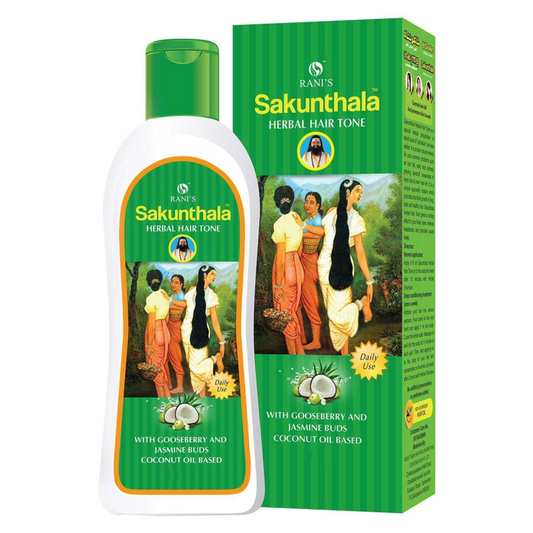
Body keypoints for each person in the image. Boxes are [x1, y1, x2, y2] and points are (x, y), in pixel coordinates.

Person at [312, 179, 373, 355]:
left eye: (361, 191)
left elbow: (360, 253)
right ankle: (344, 356)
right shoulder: (332, 212)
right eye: (357, 191)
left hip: (342, 268)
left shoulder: (357, 220)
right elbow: (323, 232)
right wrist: (302, 227)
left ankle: (361, 303)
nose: (360, 194)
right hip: (324, 267)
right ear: (347, 193)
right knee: (334, 318)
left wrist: (369, 281)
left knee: (336, 315)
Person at [271, 185, 305, 355]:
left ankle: (293, 356)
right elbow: (300, 247)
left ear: (278, 203)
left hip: (286, 270)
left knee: (285, 315)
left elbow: (281, 259)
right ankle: (301, 354)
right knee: (292, 313)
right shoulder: (296, 218)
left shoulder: (279, 224)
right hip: (297, 267)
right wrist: (296, 263)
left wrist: (278, 286)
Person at [181, 265, 224, 396]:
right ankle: (202, 398)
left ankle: (215, 359)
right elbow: (185, 306)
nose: (215, 277)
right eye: (212, 274)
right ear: (204, 275)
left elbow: (214, 321)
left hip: (199, 333)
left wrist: (222, 342)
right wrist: (169, 302)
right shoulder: (192, 290)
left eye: (215, 275)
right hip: (186, 331)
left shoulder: (212, 296)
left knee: (196, 367)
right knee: (194, 373)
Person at [293, 192, 324, 350]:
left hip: (310, 261)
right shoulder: (309, 219)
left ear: (318, 205)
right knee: (299, 299)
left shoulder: (317, 219)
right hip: (302, 259)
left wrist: (302, 229)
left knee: (310, 300)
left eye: (312, 202)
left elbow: (321, 233)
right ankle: (302, 336)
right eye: (306, 201)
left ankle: (316, 341)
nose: (308, 205)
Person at [144, 269, 171, 397]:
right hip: (165, 332)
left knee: (155, 369)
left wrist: (149, 346)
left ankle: (162, 400)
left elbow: (151, 325)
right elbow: (167, 317)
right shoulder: (164, 294)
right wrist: (164, 329)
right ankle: (168, 397)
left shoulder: (150, 298)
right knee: (161, 366)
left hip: (156, 334)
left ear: (149, 282)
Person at [167, 274, 186, 394]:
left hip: (175, 327)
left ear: (181, 285)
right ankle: (168, 383)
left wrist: (168, 304)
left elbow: (183, 305)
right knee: (169, 355)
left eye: (176, 282)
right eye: (172, 281)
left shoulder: (180, 295)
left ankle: (179, 387)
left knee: (175, 356)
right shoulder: (173, 295)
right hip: (168, 326)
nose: (173, 284)